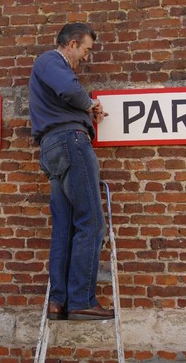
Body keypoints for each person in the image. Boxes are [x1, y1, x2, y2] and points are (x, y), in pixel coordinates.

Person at [29, 22, 114, 321]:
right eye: (87, 50)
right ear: (72, 43)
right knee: (91, 223)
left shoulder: (53, 69)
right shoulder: (51, 60)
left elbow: (65, 94)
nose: (87, 58)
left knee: (64, 228)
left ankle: (59, 302)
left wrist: (86, 113)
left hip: (54, 148)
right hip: (70, 143)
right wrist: (89, 103)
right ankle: (81, 300)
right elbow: (68, 89)